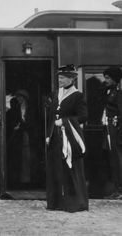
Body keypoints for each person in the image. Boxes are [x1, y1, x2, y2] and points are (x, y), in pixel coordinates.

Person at [46, 64, 88, 212]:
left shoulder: (78, 96)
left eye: (63, 78)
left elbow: (83, 117)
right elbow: (51, 116)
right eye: (59, 77)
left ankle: (74, 203)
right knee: (56, 168)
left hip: (69, 137)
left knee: (70, 168)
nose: (60, 80)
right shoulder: (55, 94)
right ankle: (56, 202)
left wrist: (64, 121)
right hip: (55, 137)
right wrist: (48, 134)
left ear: (72, 79)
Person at [102, 66, 122, 199]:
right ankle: (117, 188)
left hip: (116, 130)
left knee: (118, 159)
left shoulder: (119, 94)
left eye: (108, 78)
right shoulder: (111, 91)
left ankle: (120, 189)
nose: (106, 80)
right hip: (110, 128)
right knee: (113, 159)